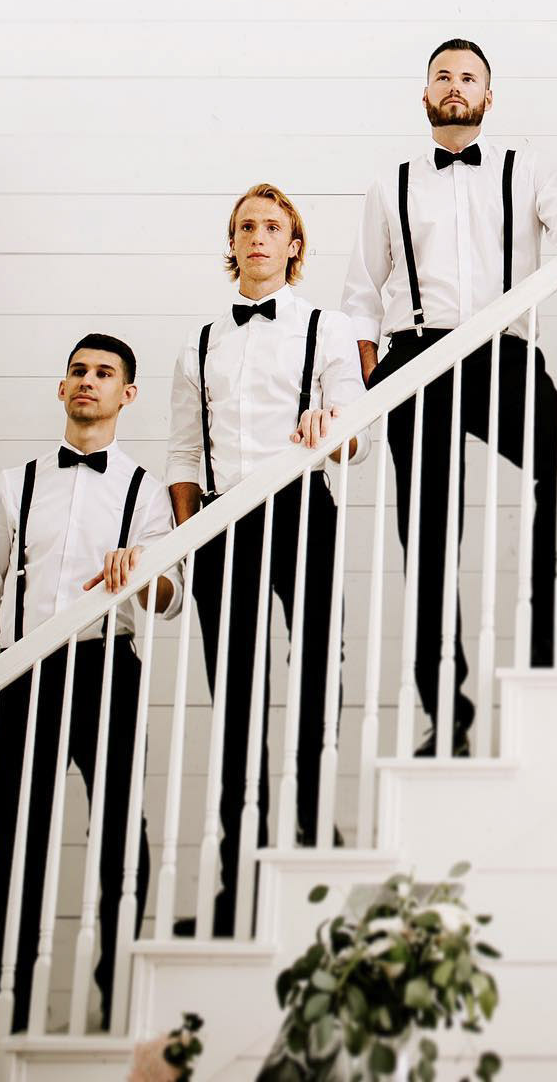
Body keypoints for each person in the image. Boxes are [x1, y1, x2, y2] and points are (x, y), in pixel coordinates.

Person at [342, 38, 557, 756]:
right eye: (443, 77)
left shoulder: (528, 170)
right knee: (428, 540)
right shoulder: (389, 183)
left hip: (501, 349)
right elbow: (362, 295)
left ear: (490, 97)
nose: (455, 87)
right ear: (424, 93)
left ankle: (551, 639)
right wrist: (370, 385)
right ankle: (446, 714)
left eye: (469, 79)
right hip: (415, 360)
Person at [0, 336, 179, 1051]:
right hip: (18, 681)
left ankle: (115, 1002)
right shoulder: (14, 482)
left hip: (106, 669)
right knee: (16, 856)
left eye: (105, 373)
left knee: (123, 840)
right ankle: (6, 1025)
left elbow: (170, 600)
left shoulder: (146, 490)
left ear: (128, 395)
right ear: (62, 389)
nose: (89, 381)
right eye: (79, 372)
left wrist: (142, 569)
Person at [166, 184, 367, 936]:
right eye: (245, 226)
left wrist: (333, 422)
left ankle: (312, 840)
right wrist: (191, 541)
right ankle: (236, 875)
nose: (257, 236)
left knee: (319, 675)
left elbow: (356, 428)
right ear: (232, 244)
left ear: (293, 246)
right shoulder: (200, 344)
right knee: (237, 704)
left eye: (272, 227)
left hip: (302, 507)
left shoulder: (329, 327)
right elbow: (184, 452)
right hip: (222, 525)